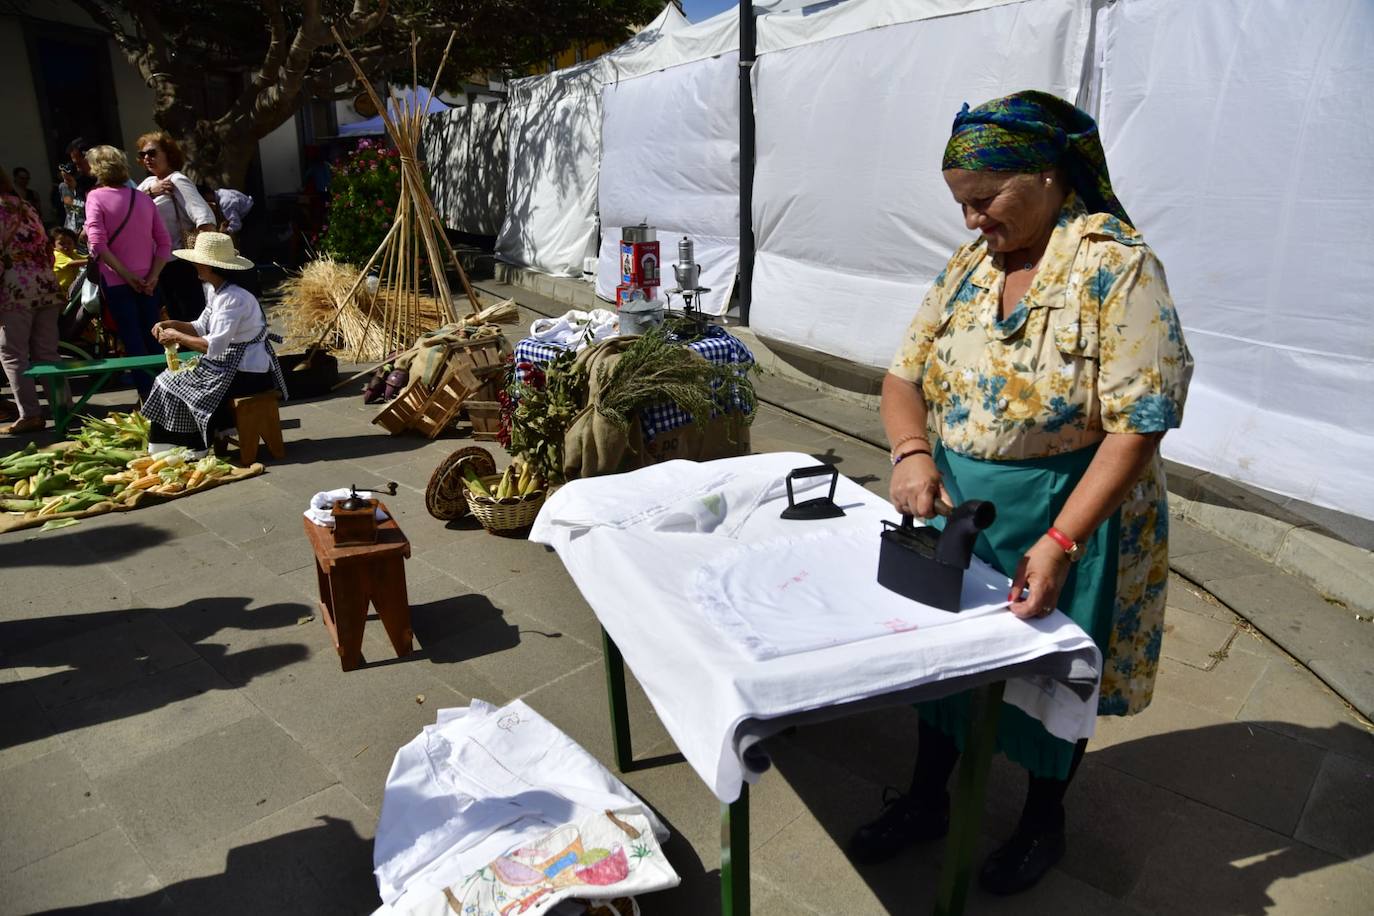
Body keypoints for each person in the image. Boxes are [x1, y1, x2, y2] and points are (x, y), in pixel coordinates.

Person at [851, 91, 1194, 895]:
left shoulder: (1116, 266)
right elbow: (902, 376)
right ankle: (929, 800)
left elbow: (1139, 424)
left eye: (985, 200)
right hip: (964, 509)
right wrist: (910, 453)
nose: (971, 221)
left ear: (1047, 175)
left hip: (1067, 515)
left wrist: (1062, 540)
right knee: (943, 669)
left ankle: (1044, 822)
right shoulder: (973, 265)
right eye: (961, 204)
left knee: (1048, 682)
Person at [143, 231, 285, 455]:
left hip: (248, 374)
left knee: (172, 383)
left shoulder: (233, 298)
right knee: (167, 379)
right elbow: (201, 327)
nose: (194, 265)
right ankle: (178, 444)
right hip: (230, 366)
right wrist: (173, 324)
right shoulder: (216, 291)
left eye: (197, 261)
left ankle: (192, 446)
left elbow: (213, 346)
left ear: (208, 266)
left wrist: (176, 336)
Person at [83, 144, 170, 398]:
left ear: (97, 169)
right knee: (155, 339)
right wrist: (152, 276)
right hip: (149, 281)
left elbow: (98, 244)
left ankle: (149, 399)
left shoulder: (95, 197)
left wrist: (126, 275)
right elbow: (164, 243)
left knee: (132, 341)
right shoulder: (143, 198)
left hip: (118, 281)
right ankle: (167, 395)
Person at [0, 167, 63, 434]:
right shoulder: (26, 206)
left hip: (15, 290)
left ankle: (31, 415)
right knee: (47, 352)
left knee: (12, 354)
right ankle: (64, 408)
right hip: (46, 285)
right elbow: (48, 249)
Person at [135, 131, 216, 322]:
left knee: (191, 318)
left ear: (168, 154)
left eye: (152, 153)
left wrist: (203, 261)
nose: (147, 158)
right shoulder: (148, 183)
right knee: (174, 317)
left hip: (181, 262)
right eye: (142, 154)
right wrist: (150, 192)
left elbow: (205, 218)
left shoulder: (177, 180)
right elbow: (128, 208)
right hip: (159, 265)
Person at [50, 226, 87, 295]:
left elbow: (83, 258)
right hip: (61, 289)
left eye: (69, 243)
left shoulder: (72, 253)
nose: (66, 246)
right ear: (53, 245)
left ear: (74, 244)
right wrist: (90, 261)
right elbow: (71, 264)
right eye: (62, 244)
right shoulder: (57, 255)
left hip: (70, 287)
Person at [56, 162, 87, 237]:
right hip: (69, 228)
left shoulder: (86, 193)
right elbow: (68, 208)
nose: (65, 182)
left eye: (69, 180)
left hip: (84, 231)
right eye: (63, 179)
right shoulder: (63, 188)